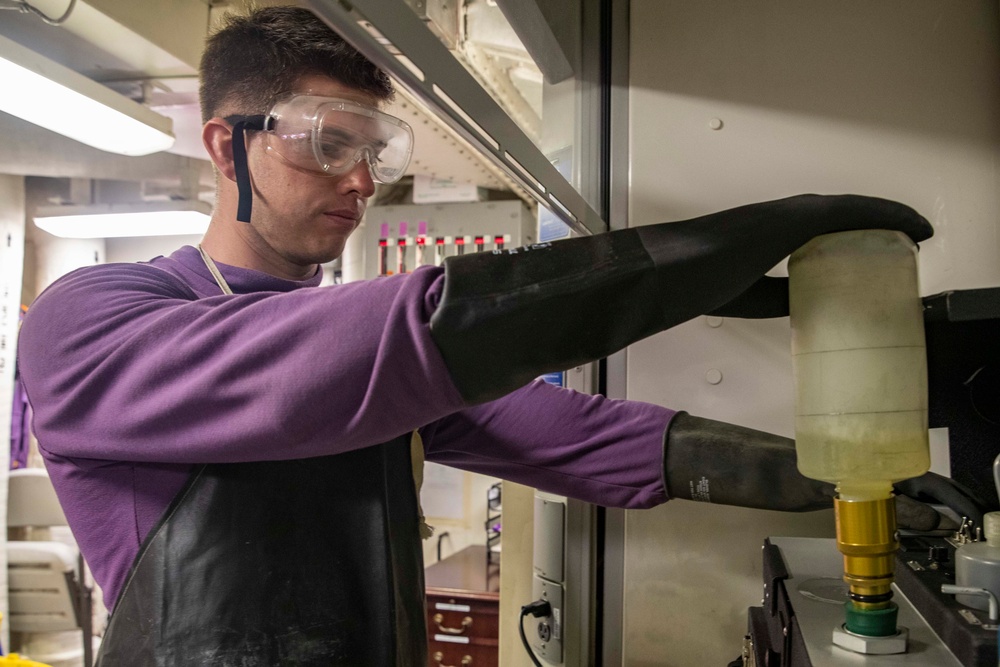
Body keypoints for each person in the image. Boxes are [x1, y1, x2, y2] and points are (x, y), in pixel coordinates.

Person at [15, 6, 978, 666]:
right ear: (227, 145)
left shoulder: (367, 353)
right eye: (327, 144)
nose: (360, 182)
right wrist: (719, 250)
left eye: (373, 151)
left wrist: (843, 474)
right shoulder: (95, 322)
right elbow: (388, 342)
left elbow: (577, 433)